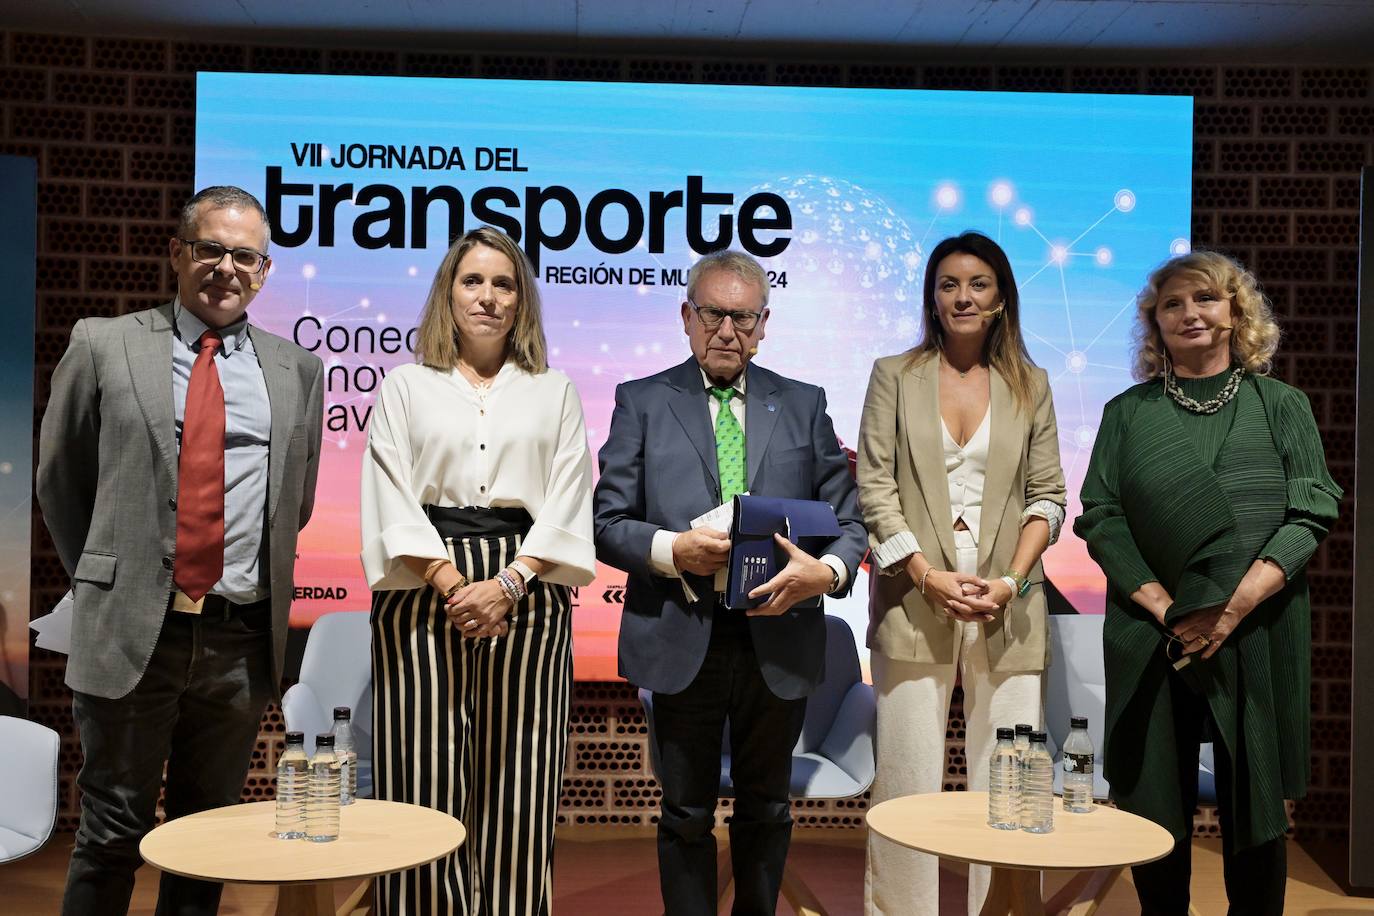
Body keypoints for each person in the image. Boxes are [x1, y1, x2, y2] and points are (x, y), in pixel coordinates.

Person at [38, 186, 324, 916]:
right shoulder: (103, 342)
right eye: (210, 249)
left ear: (263, 271)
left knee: (207, 838)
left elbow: (296, 501)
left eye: (244, 255)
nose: (226, 267)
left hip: (236, 641)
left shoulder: (297, 369)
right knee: (111, 832)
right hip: (135, 628)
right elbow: (60, 478)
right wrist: (107, 579)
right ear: (178, 253)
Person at [594, 249, 867, 916]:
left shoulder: (803, 405)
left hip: (779, 639)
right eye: (713, 314)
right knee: (684, 812)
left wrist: (824, 572)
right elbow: (607, 523)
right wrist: (671, 550)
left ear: (765, 323)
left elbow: (850, 523)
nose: (727, 331)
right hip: (680, 636)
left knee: (767, 809)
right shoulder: (643, 401)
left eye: (743, 318)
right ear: (687, 317)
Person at [1075, 250, 1341, 914]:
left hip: (1257, 629)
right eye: (1173, 304)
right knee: (1153, 810)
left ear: (1236, 312)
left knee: (1254, 806)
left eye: (1207, 299)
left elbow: (1312, 509)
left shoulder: (1283, 405)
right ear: (1154, 324)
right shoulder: (1127, 413)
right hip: (1152, 634)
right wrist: (1169, 610)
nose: (1191, 313)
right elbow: (1102, 517)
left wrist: (1231, 608)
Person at [361, 226, 595, 916]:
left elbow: (568, 495)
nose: (487, 297)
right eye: (473, 281)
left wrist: (509, 583)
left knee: (519, 779)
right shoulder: (406, 386)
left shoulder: (555, 391)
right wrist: (452, 583)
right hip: (424, 585)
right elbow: (390, 494)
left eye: (504, 283)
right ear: (448, 292)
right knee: (421, 776)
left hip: (528, 587)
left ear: (522, 300)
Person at [857, 231, 1066, 916]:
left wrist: (1009, 579)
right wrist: (924, 574)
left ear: (1001, 298)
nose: (962, 296)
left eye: (978, 283)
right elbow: (875, 489)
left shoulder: (1031, 384)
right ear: (933, 296)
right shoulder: (895, 373)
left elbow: (1048, 496)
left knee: (1010, 783)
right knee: (907, 780)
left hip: (1008, 598)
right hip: (915, 594)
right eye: (948, 284)